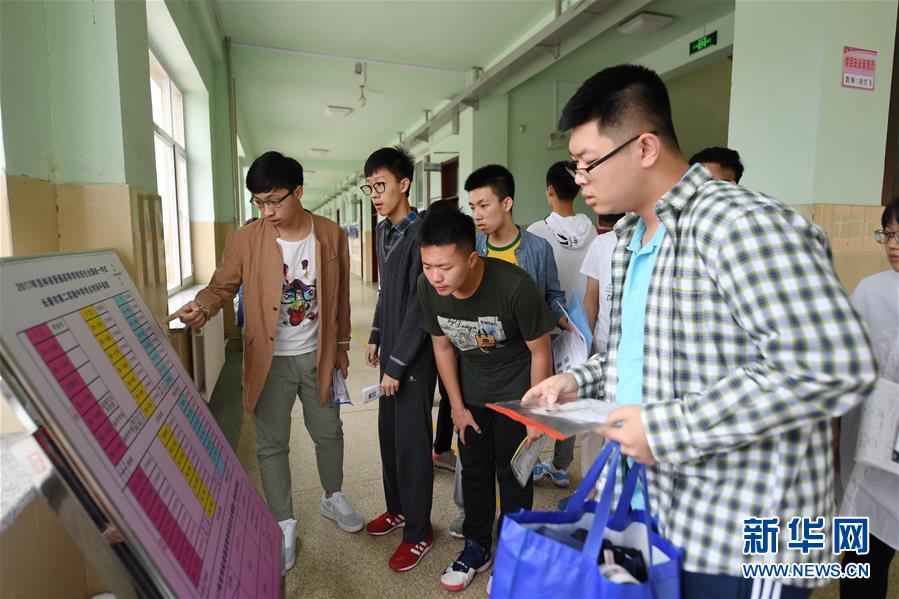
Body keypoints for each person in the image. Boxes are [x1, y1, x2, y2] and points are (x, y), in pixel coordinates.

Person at [521, 65, 877, 599]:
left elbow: (831, 367)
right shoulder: (630, 239)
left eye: (588, 162)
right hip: (654, 509)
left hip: (739, 535)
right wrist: (580, 381)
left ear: (644, 147)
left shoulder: (741, 226)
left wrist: (666, 429)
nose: (579, 178)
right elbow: (645, 353)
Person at [170, 151, 363, 573]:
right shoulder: (245, 240)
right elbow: (221, 286)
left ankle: (332, 496)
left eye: (275, 200)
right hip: (268, 359)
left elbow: (341, 296)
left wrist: (342, 346)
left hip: (318, 355)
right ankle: (283, 522)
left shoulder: (329, 234)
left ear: (298, 192)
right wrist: (202, 306)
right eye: (259, 203)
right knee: (271, 444)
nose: (268, 211)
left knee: (329, 432)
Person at [417, 208, 555, 592]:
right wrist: (457, 409)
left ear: (472, 258)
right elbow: (442, 346)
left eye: (445, 267)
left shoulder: (514, 286)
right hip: (472, 394)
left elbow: (541, 351)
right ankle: (477, 547)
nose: (435, 276)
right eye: (428, 266)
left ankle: (512, 552)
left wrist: (533, 413)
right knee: (474, 473)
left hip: (516, 395)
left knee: (514, 478)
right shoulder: (427, 287)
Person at [361, 146, 438, 572]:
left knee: (412, 446)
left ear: (404, 184)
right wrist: (375, 336)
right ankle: (398, 510)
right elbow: (386, 293)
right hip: (390, 351)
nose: (375, 194)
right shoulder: (382, 231)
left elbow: (420, 306)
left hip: (415, 359)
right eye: (370, 187)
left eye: (381, 185)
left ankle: (419, 531)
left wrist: (398, 363)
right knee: (389, 438)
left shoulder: (422, 234)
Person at [837, 197, 899, 599]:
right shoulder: (871, 290)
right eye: (888, 234)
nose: (892, 244)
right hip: (871, 442)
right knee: (863, 555)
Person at [527, 161, 597, 489]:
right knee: (568, 395)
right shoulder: (592, 231)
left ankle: (531, 461)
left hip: (544, 325)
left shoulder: (536, 232)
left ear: (550, 191)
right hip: (580, 327)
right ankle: (560, 465)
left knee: (540, 392)